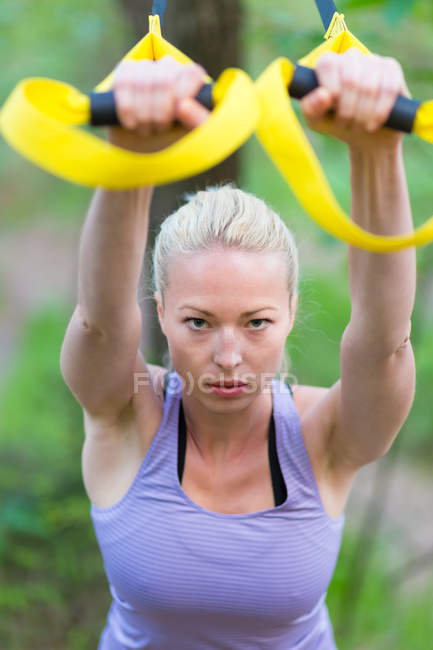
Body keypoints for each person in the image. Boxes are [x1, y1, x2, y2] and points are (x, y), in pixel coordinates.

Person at [60, 50, 416, 649]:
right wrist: (132, 150)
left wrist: (376, 150)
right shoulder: (126, 413)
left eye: (256, 323)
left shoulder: (325, 436)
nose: (229, 356)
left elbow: (384, 345)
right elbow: (98, 324)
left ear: (291, 313)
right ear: (160, 312)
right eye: (199, 322)